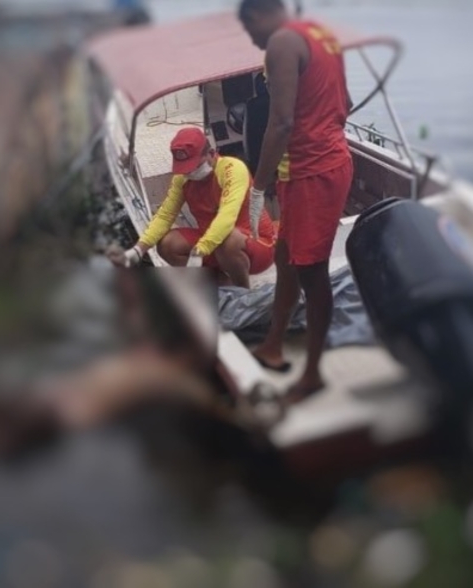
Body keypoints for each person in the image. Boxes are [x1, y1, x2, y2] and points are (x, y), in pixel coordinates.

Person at [238, 0, 353, 395]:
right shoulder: (320, 34)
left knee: (313, 274)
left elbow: (281, 121)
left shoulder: (282, 42)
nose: (254, 42)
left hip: (311, 173)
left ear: (256, 17)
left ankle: (314, 374)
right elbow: (346, 104)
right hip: (325, 163)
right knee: (287, 258)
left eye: (250, 33)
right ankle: (272, 345)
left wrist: (258, 185)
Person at [107, 127, 275, 289]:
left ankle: (243, 293)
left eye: (195, 166)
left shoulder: (232, 169)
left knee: (227, 237)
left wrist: (200, 251)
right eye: (185, 169)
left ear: (210, 154)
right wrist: (138, 250)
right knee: (168, 244)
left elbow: (227, 216)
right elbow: (165, 215)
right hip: (214, 247)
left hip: (256, 246)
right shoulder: (183, 179)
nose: (189, 173)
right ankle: (222, 288)